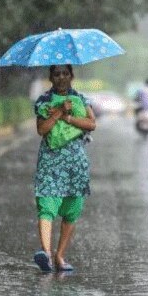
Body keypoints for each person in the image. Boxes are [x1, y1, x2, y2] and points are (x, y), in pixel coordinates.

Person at [32, 64, 96, 273]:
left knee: (71, 209)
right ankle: (46, 254)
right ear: (50, 77)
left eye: (65, 74)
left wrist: (69, 116)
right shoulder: (43, 101)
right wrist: (58, 112)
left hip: (75, 163)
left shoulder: (80, 99)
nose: (61, 78)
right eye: (57, 74)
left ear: (71, 76)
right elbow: (42, 129)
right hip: (50, 161)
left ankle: (60, 256)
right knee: (46, 204)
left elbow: (91, 124)